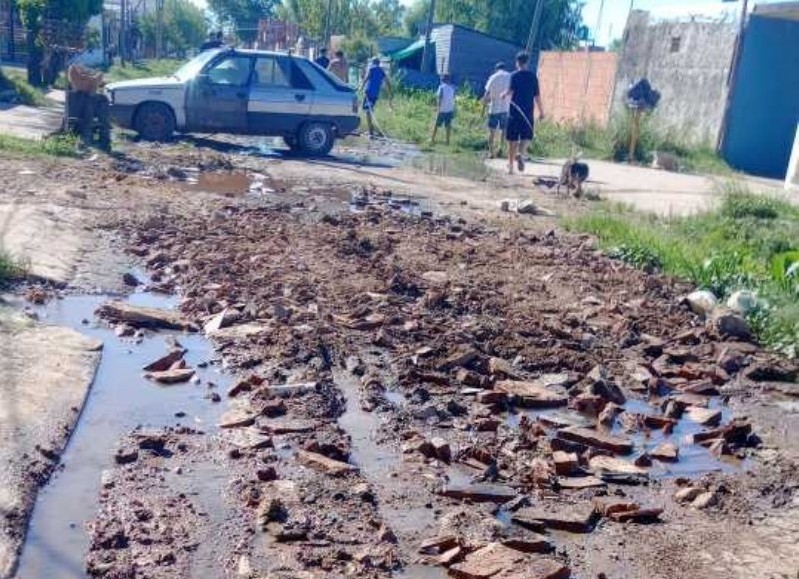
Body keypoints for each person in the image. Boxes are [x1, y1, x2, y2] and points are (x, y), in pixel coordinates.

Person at [504, 51, 544, 174]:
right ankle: (521, 154)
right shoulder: (533, 77)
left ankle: (510, 166)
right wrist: (541, 112)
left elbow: (510, 92)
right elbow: (537, 96)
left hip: (514, 113)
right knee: (526, 137)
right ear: (527, 63)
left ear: (517, 62)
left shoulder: (514, 76)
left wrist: (503, 94)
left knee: (512, 141)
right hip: (528, 114)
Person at [359, 57, 393, 138]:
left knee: (368, 111)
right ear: (379, 63)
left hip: (368, 93)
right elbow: (387, 82)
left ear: (373, 63)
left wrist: (360, 88)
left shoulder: (371, 69)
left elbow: (366, 79)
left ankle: (371, 132)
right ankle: (371, 131)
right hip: (375, 94)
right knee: (370, 110)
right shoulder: (381, 71)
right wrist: (390, 93)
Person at [483, 62, 511, 158]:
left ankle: (491, 152)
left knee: (492, 132)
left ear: (496, 69)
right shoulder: (509, 76)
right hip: (506, 108)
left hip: (494, 108)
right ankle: (500, 149)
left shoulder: (493, 77)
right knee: (504, 130)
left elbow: (486, 94)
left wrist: (484, 107)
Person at [431, 74, 456, 145]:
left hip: (442, 109)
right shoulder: (452, 88)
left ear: (443, 80)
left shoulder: (441, 87)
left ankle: (432, 139)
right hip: (450, 109)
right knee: (448, 126)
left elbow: (440, 98)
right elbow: (453, 99)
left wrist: (438, 108)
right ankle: (447, 141)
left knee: (436, 125)